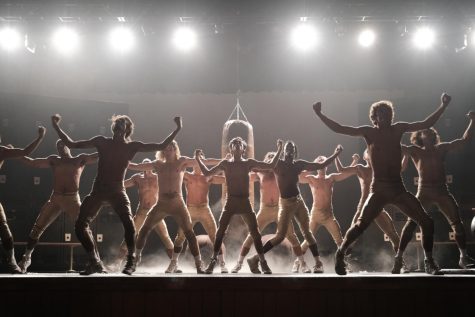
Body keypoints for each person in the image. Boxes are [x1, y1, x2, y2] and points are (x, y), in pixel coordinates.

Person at [312, 93, 451, 275]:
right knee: (361, 225)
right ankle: (340, 253)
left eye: (387, 112)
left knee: (427, 222)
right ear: (374, 118)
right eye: (380, 113)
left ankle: (429, 262)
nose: (384, 116)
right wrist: (320, 114)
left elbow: (425, 124)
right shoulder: (369, 132)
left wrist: (443, 106)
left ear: (391, 115)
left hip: (397, 188)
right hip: (378, 190)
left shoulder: (398, 129)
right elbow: (340, 128)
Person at [52, 114, 181, 275]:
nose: (119, 129)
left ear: (127, 130)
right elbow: (72, 144)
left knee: (129, 224)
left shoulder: (131, 146)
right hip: (98, 190)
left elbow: (161, 144)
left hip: (117, 191)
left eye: (123, 126)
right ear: (113, 128)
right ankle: (94, 262)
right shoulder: (102, 141)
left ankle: (131, 261)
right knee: (79, 226)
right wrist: (56, 126)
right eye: (117, 126)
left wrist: (177, 129)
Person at [247, 141, 342, 274]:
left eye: (292, 149)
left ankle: (318, 263)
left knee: (307, 233)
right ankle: (255, 258)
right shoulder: (277, 164)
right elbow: (264, 166)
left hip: (298, 202)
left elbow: (320, 165)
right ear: (284, 151)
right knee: (280, 236)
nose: (289, 151)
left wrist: (336, 154)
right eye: (287, 149)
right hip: (285, 204)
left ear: (295, 152)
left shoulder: (298, 164)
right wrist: (278, 149)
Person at [397, 111, 475, 270]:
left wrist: (473, 121)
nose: (427, 131)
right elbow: (396, 147)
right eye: (424, 130)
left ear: (433, 134)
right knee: (411, 223)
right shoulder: (415, 150)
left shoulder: (442, 148)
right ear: (419, 135)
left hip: (441, 191)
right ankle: (398, 257)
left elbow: (463, 140)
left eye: (429, 130)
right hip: (424, 191)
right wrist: (383, 134)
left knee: (457, 224)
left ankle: (463, 257)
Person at [196, 137, 283, 274]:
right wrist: (198, 159)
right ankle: (213, 261)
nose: (236, 145)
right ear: (230, 148)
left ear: (243, 149)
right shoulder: (225, 163)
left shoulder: (248, 163)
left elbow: (270, 166)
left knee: (255, 233)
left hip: (244, 202)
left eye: (239, 144)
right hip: (231, 201)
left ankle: (263, 262)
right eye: (234, 144)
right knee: (220, 233)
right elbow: (207, 173)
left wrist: (279, 150)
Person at [131, 141, 220, 274]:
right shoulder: (158, 164)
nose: (169, 149)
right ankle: (135, 260)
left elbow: (204, 162)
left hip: (177, 203)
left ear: (175, 149)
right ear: (163, 151)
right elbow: (136, 166)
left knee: (189, 233)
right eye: (167, 148)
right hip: (161, 204)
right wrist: (119, 159)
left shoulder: (182, 162)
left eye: (172, 147)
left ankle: (198, 265)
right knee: (144, 230)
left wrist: (225, 161)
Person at [17, 140, 98, 273]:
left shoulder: (79, 159)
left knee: (84, 229)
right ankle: (26, 259)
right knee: (37, 227)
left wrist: (110, 147)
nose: (61, 148)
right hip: (56, 198)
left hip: (72, 199)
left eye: (63, 145)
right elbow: (33, 162)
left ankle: (95, 261)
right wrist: (17, 155)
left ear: (69, 146)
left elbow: (98, 155)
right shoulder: (54, 160)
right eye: (58, 146)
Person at [232, 152, 311, 274]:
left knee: (292, 236)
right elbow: (243, 173)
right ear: (265, 160)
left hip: (280, 208)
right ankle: (239, 264)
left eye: (273, 157)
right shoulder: (260, 172)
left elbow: (299, 175)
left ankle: (303, 264)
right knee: (252, 235)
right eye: (269, 157)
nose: (271, 159)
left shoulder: (280, 171)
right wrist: (233, 163)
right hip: (265, 209)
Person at [295, 155, 353, 272]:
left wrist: (354, 162)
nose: (322, 163)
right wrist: (310, 167)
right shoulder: (311, 178)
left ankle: (344, 262)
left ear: (327, 165)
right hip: (315, 215)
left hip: (328, 216)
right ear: (317, 165)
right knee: (307, 241)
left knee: (340, 241)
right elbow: (296, 177)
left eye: (324, 161)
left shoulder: (331, 178)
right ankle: (297, 263)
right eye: (319, 162)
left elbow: (346, 173)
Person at [0, 126, 45, 273]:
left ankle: (12, 262)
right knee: (4, 229)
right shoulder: (2, 150)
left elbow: (25, 152)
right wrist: (40, 137)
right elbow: (25, 152)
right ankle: (12, 262)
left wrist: (39, 138)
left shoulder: (2, 150)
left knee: (4, 229)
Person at [115, 159, 174, 266]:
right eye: (144, 165)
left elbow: (171, 182)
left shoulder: (157, 177)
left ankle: (175, 263)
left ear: (151, 166)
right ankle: (117, 263)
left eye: (148, 165)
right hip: (142, 211)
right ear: (142, 166)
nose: (147, 167)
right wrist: (112, 184)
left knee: (165, 237)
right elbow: (123, 185)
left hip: (156, 211)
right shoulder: (138, 178)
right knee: (131, 235)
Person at [172, 160, 228, 273]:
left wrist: (226, 165)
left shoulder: (208, 176)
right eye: (196, 160)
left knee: (215, 237)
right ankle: (174, 263)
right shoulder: (187, 175)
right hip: (190, 209)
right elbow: (173, 173)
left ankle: (222, 264)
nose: (198, 163)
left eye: (201, 161)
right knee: (180, 237)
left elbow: (227, 180)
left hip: (204, 209)